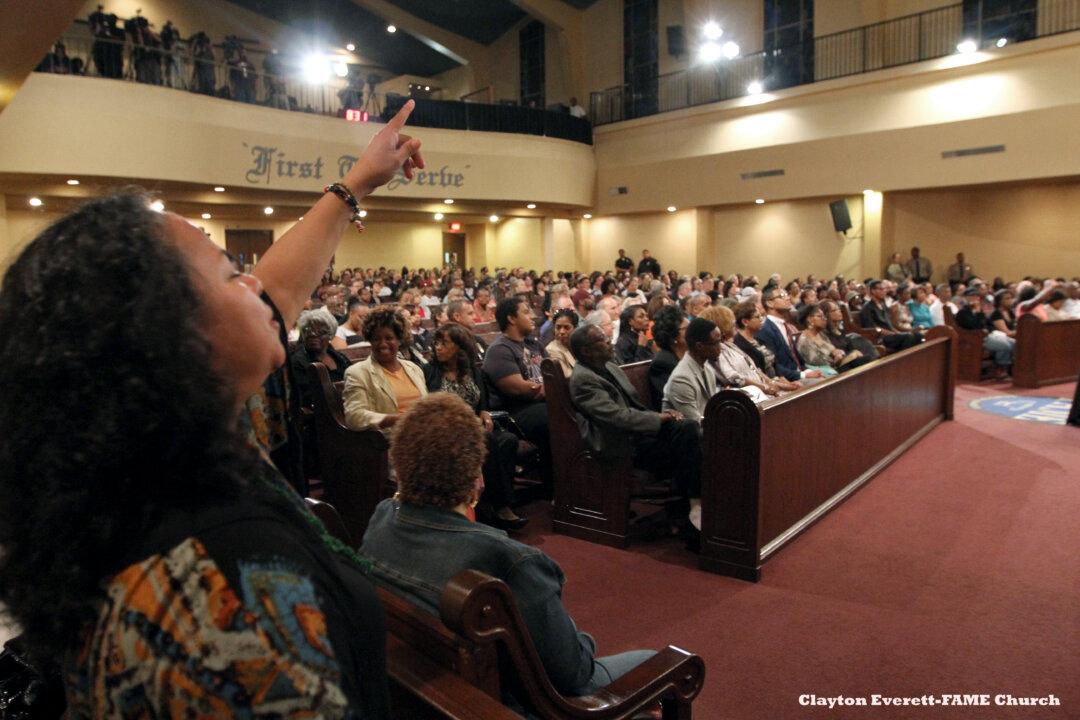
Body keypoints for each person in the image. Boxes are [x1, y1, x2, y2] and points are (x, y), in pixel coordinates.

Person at [0, 99, 424, 717]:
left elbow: (276, 291)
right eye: (230, 274)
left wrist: (355, 184)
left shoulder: (155, 453)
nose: (255, 284)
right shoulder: (210, 611)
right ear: (173, 338)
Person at [360, 394, 655, 713]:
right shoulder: (510, 561)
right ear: (476, 476)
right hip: (508, 706)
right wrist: (585, 640)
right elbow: (575, 674)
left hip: (422, 694)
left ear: (401, 466)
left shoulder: (383, 517)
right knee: (659, 662)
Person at [425, 323, 526, 531]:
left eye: (444, 343)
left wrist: (484, 413)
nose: (438, 347)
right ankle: (501, 507)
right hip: (447, 430)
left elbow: (482, 403)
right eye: (436, 343)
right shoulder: (430, 372)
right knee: (486, 440)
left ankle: (487, 504)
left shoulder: (471, 370)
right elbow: (430, 406)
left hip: (474, 427)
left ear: (460, 347)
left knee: (508, 440)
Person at [482, 296, 552, 486]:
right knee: (555, 419)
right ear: (512, 318)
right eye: (526, 312)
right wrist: (549, 388)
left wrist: (548, 388)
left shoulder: (534, 344)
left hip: (540, 402)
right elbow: (519, 389)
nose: (533, 316)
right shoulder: (500, 350)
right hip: (514, 413)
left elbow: (553, 374)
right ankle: (555, 487)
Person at [343, 305, 428, 432]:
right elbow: (355, 416)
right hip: (389, 440)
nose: (383, 344)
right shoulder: (358, 373)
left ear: (399, 340)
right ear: (370, 341)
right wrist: (396, 419)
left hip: (423, 433)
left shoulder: (414, 369)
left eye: (389, 338)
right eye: (376, 339)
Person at [698, 304, 780, 399]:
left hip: (763, 392)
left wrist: (770, 383)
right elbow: (734, 377)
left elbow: (752, 367)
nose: (734, 323)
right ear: (720, 325)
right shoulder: (717, 351)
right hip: (752, 398)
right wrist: (764, 388)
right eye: (730, 321)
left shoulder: (730, 345)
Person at [756, 286, 824, 382]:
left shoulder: (785, 325)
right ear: (769, 303)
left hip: (800, 372)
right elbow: (774, 366)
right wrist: (803, 374)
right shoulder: (765, 330)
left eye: (787, 295)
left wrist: (807, 370)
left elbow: (795, 357)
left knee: (828, 377)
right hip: (788, 379)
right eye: (782, 295)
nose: (787, 298)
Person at [732, 301, 801, 391]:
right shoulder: (740, 345)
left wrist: (785, 380)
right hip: (766, 388)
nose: (761, 320)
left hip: (778, 381)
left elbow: (774, 364)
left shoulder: (758, 339)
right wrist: (783, 385)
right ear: (745, 321)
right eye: (757, 317)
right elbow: (757, 373)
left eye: (761, 316)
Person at [289, 309, 352, 407]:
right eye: (308, 330)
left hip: (347, 405)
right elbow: (307, 397)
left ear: (330, 335)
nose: (313, 334)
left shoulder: (338, 357)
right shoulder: (298, 361)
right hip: (321, 412)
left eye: (320, 332)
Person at [663, 318, 721, 423]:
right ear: (699, 346)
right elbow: (695, 423)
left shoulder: (707, 368)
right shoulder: (681, 378)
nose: (720, 348)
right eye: (715, 343)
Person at [859, 280, 923, 351]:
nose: (885, 291)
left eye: (885, 289)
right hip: (880, 338)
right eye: (881, 289)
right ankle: (903, 361)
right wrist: (894, 334)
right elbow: (873, 328)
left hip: (891, 335)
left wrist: (898, 333)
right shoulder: (867, 308)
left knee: (918, 336)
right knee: (908, 337)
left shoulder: (883, 305)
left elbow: (890, 325)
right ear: (873, 291)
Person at [648, 305, 688, 409]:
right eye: (687, 328)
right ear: (673, 336)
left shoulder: (690, 355)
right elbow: (674, 401)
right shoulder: (662, 364)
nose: (693, 332)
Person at [545, 308, 579, 378]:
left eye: (566, 327)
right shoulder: (551, 350)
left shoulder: (579, 345)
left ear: (575, 328)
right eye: (558, 327)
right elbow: (567, 377)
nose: (562, 332)